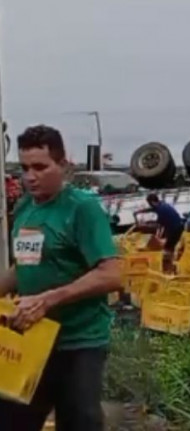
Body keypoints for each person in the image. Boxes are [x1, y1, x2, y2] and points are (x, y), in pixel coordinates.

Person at [0, 125, 121, 430]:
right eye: (24, 168)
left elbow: (112, 274)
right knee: (13, 419)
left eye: (40, 167)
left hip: (78, 342)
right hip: (31, 340)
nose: (30, 176)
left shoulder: (82, 208)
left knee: (80, 421)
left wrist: (46, 300)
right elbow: (25, 265)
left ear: (63, 165)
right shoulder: (26, 206)